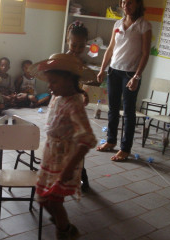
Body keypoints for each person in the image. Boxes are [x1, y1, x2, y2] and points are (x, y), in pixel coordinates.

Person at [29, 53, 97, 240]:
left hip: (64, 162)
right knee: (42, 198)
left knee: (53, 200)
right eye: (49, 81)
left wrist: (69, 169)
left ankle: (65, 231)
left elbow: (87, 139)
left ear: (70, 80)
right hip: (51, 156)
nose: (49, 86)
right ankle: (62, 222)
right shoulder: (57, 98)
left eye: (54, 82)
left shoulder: (74, 104)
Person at [96, 0, 152, 161]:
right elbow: (110, 49)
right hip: (114, 71)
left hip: (130, 74)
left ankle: (125, 149)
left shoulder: (144, 25)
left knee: (128, 112)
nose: (126, 5)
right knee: (112, 109)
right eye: (124, 2)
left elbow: (145, 53)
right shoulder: (118, 23)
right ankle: (111, 141)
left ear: (137, 4)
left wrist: (137, 76)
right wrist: (102, 69)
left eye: (130, 3)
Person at [65, 20, 95, 191]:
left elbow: (78, 83)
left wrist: (83, 93)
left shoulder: (81, 63)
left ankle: (82, 174)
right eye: (73, 45)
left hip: (75, 105)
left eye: (81, 46)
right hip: (63, 105)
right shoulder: (61, 60)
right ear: (68, 41)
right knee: (63, 141)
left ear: (86, 45)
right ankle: (60, 174)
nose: (76, 49)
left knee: (78, 142)